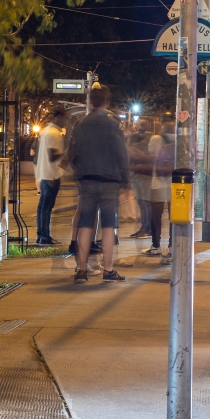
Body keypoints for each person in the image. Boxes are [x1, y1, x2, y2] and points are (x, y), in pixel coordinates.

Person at [66, 85, 129, 284]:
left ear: (90, 102)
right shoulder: (113, 125)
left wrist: (78, 172)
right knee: (109, 226)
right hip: (109, 180)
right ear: (106, 102)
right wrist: (125, 177)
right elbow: (121, 153)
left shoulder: (80, 124)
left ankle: (81, 270)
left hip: (87, 180)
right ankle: (108, 270)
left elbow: (72, 153)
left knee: (86, 224)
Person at [35, 107, 68, 245]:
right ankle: (45, 236)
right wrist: (66, 152)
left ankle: (41, 234)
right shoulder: (54, 133)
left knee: (43, 205)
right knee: (47, 206)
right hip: (52, 175)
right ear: (57, 118)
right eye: (64, 118)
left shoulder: (46, 130)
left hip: (44, 173)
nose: (66, 121)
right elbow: (52, 155)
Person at [143, 122, 175, 260]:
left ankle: (156, 246)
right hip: (175, 183)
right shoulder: (181, 138)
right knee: (174, 217)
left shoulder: (156, 139)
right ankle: (172, 246)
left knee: (156, 217)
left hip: (158, 182)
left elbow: (151, 155)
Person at [128, 120, 153, 239]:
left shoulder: (150, 138)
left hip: (146, 175)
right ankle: (145, 227)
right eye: (140, 124)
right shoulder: (133, 138)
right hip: (136, 175)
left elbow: (150, 156)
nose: (142, 127)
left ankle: (147, 228)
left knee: (146, 203)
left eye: (144, 124)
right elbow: (130, 154)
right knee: (142, 203)